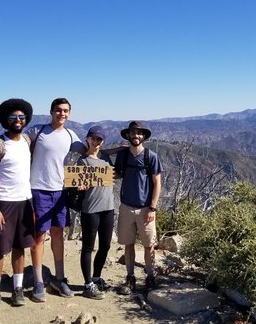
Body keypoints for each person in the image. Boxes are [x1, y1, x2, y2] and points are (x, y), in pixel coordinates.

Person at [26, 98, 84, 302]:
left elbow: (90, 152)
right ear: (51, 111)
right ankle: (39, 281)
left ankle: (59, 279)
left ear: (69, 113)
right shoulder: (37, 131)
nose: (62, 114)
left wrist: (118, 150)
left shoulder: (71, 135)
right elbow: (19, 141)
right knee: (39, 236)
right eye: (58, 110)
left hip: (60, 191)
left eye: (66, 111)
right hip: (39, 189)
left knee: (58, 235)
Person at [0, 99, 35, 312]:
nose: (17, 120)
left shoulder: (27, 140)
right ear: (6, 119)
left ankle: (17, 289)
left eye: (21, 117)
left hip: (25, 201)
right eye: (13, 117)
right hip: (4, 203)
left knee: (19, 247)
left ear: (26, 119)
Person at [114, 121, 163, 294]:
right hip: (126, 206)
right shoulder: (123, 155)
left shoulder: (151, 156)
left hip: (145, 208)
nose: (136, 135)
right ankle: (130, 277)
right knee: (128, 244)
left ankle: (150, 277)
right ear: (128, 135)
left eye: (139, 133)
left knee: (149, 245)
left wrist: (152, 208)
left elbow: (157, 183)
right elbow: (117, 173)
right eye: (133, 133)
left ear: (143, 136)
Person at [76, 125, 115, 300]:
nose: (95, 141)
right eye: (93, 138)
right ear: (87, 139)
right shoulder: (82, 161)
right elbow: (77, 184)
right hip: (91, 209)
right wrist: (80, 187)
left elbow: (112, 175)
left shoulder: (106, 158)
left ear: (102, 141)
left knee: (105, 245)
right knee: (88, 247)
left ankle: (97, 277)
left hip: (108, 207)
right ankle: (87, 285)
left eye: (99, 139)